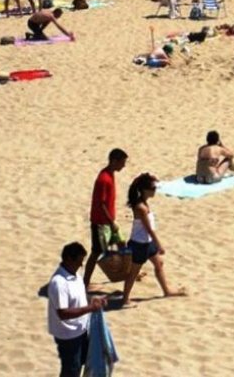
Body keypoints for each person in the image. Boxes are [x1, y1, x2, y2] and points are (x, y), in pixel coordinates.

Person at [120, 173, 186, 305]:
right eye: (153, 188)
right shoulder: (141, 207)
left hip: (147, 242)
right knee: (134, 272)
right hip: (139, 244)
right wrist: (159, 244)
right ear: (145, 190)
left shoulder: (143, 203)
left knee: (159, 264)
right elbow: (148, 228)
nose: (155, 191)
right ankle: (125, 298)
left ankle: (166, 290)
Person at [47, 242, 108, 377]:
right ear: (69, 259)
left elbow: (80, 295)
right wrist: (90, 308)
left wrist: (93, 301)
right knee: (71, 369)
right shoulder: (59, 283)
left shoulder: (76, 275)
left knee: (81, 363)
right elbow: (63, 313)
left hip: (81, 330)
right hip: (68, 335)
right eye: (79, 261)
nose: (81, 265)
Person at [83, 148, 128, 290]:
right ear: (114, 161)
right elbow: (101, 204)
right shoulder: (104, 179)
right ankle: (85, 283)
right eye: (122, 162)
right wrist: (111, 222)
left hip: (108, 222)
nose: (124, 166)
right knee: (96, 252)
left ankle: (126, 272)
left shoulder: (110, 174)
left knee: (122, 244)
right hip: (100, 223)